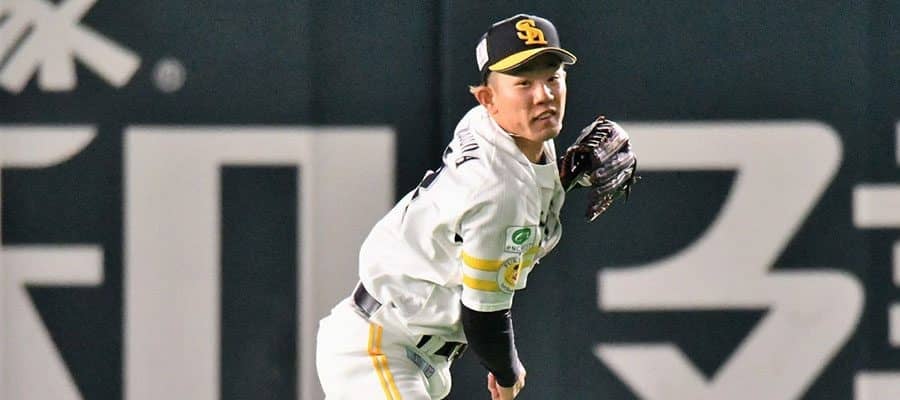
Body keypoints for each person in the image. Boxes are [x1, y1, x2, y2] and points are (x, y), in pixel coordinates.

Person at [316, 13, 631, 400]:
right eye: (524, 83)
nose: (543, 95)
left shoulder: (499, 131)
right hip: (378, 349)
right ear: (488, 99)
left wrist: (561, 177)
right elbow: (484, 316)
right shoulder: (500, 189)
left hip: (409, 348)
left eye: (552, 78)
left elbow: (508, 204)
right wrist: (507, 372)